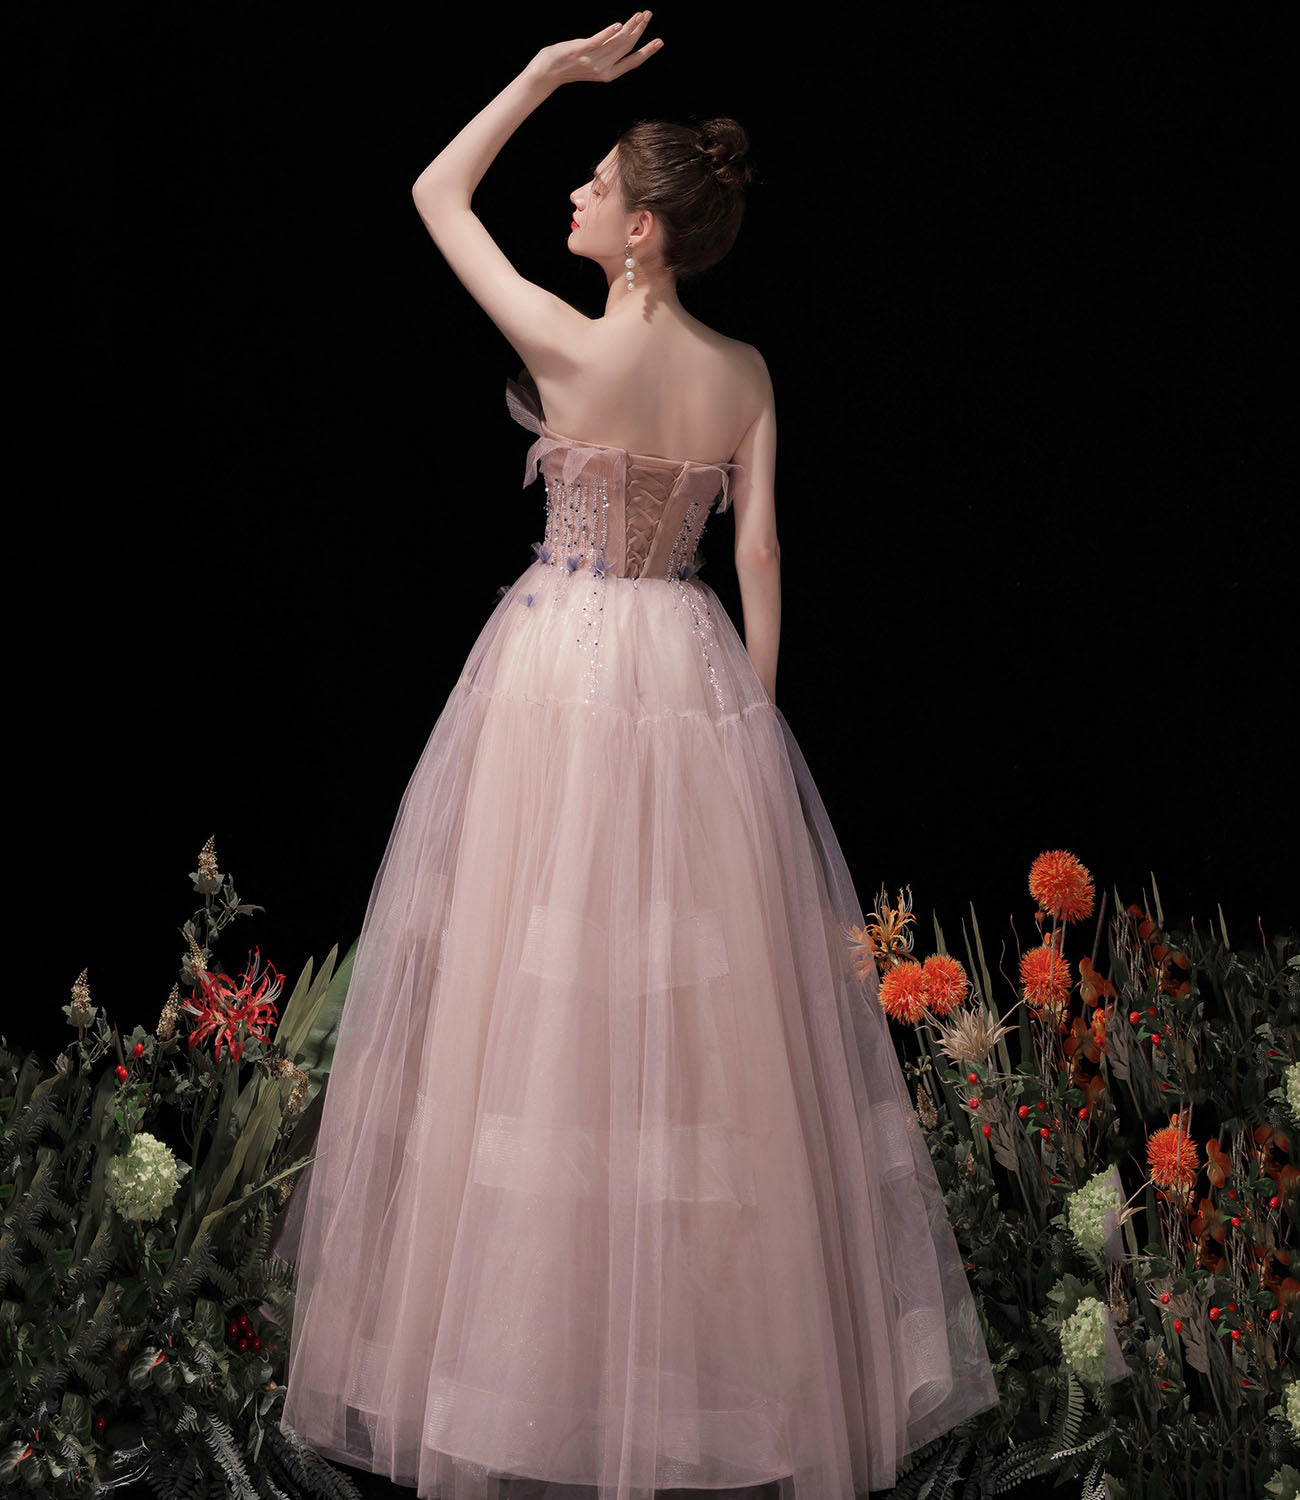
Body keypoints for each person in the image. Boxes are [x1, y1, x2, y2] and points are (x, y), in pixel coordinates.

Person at [277, 15, 1001, 1500]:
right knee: (678, 1038)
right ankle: (657, 1370)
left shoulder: (570, 342)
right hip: (686, 670)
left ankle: (542, 1372)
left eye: (596, 184)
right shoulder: (745, 374)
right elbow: (763, 557)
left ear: (643, 232)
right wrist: (750, 732)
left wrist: (545, 73)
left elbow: (433, 193)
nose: (574, 197)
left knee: (537, 1009)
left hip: (559, 666)